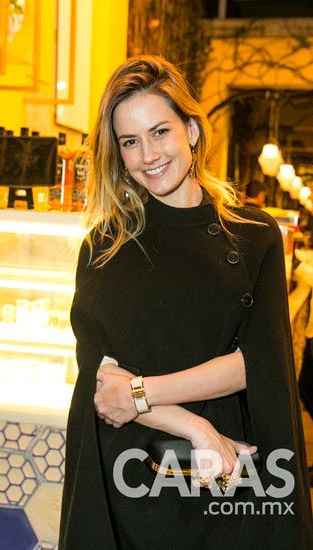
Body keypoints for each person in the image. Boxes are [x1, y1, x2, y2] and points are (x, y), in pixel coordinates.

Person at [59, 55, 313, 549]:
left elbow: (260, 364)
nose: (148, 154)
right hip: (130, 477)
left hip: (227, 470)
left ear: (191, 131)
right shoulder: (106, 246)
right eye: (130, 141)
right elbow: (104, 385)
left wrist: (142, 392)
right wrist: (193, 425)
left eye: (160, 132)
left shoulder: (253, 236)